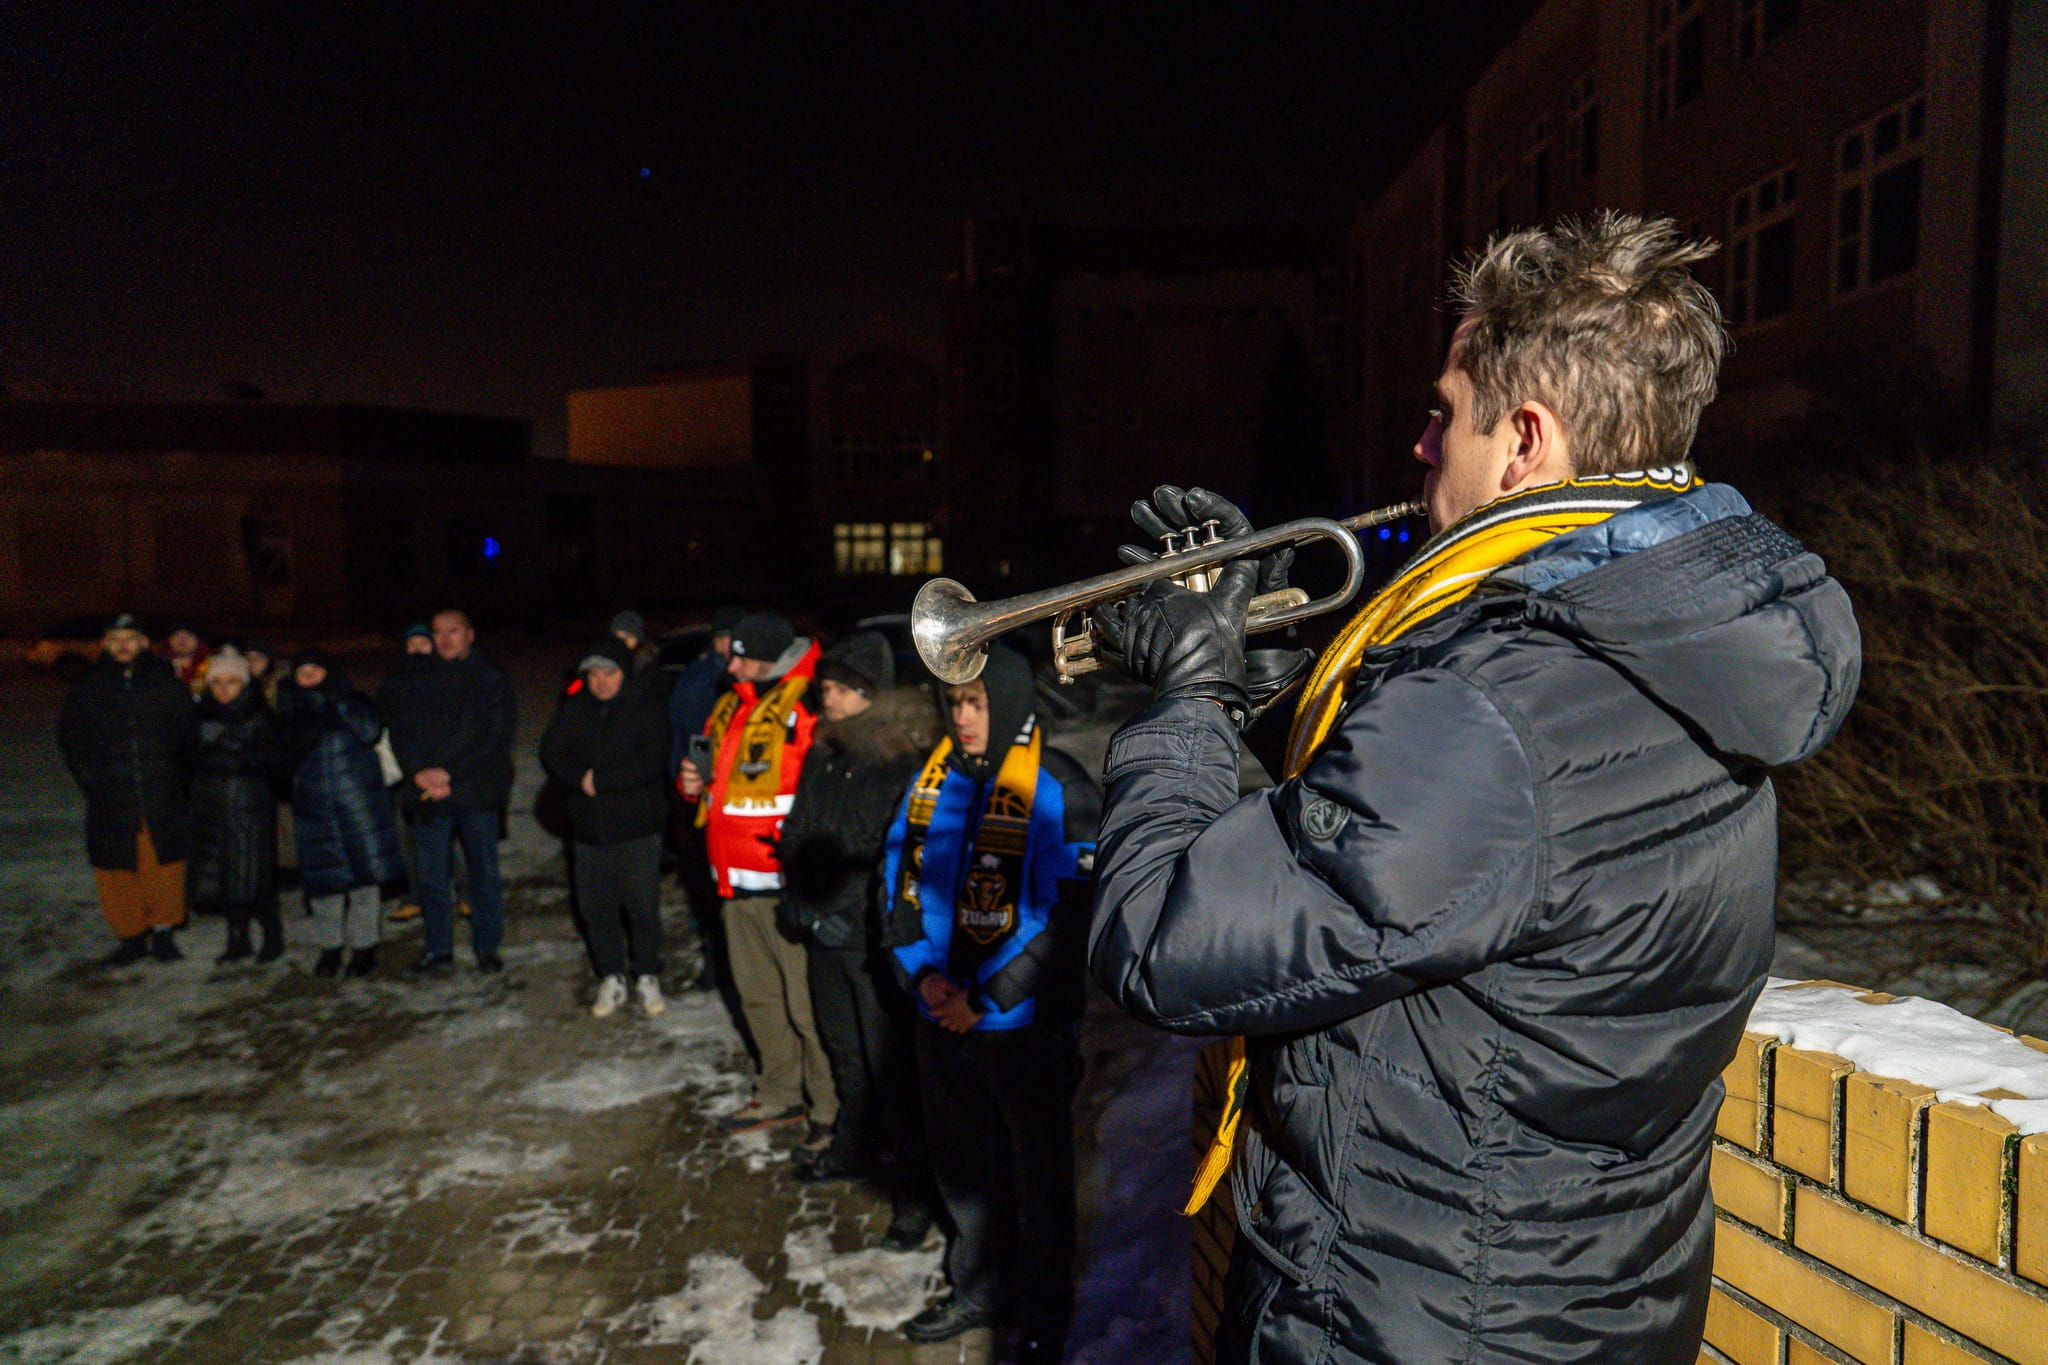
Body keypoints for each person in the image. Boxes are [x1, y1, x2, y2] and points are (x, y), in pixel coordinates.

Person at [1086, 215, 1863, 1365]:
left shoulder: (1498, 705)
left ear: (1523, 442)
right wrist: (1263, 672)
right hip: (1580, 1299)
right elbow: (1434, 852)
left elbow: (1161, 941)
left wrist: (1184, 701)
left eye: (1442, 412)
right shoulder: (1654, 641)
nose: (1418, 443)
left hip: (1407, 1316)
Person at [884, 644, 1098, 1362]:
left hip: (1022, 1028)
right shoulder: (933, 783)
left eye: (976, 703)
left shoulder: (1057, 784)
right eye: (955, 703)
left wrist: (986, 996)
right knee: (964, 1169)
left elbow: (1069, 914)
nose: (964, 718)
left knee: (1040, 1182)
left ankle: (1043, 1312)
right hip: (941, 1018)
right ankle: (979, 1288)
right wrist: (921, 976)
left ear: (1006, 703)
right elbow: (899, 884)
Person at [777, 632, 935, 1196]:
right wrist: (802, 903)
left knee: (887, 1063)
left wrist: (840, 910)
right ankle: (854, 1149)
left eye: (844, 688)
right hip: (822, 933)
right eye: (826, 687)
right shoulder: (825, 755)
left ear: (872, 694)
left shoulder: (898, 764)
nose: (831, 697)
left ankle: (910, 1182)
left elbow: (880, 854)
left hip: (866, 940)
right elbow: (798, 834)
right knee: (842, 1050)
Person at [678, 611, 834, 1137]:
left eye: (741, 657)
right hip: (735, 882)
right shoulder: (731, 704)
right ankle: (779, 1093)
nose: (731, 665)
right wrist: (691, 784)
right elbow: (714, 781)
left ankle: (829, 1109)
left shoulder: (809, 704)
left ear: (770, 657)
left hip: (788, 887)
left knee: (806, 1006)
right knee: (760, 999)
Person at [540, 637, 673, 1018]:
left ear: (624, 673)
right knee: (596, 909)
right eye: (594, 674)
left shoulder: (646, 707)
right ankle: (611, 974)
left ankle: (647, 973)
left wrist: (603, 781)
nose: (601, 682)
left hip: (636, 830)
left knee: (642, 907)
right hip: (588, 832)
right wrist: (578, 779)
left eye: (609, 673)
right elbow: (551, 753)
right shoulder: (574, 709)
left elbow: (653, 758)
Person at [379, 609, 517, 976]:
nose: (445, 639)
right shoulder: (416, 679)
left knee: (482, 873)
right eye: (438, 632)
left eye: (453, 631)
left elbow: (496, 737)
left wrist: (450, 773)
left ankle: (487, 946)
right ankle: (438, 950)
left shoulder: (491, 678)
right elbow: (400, 731)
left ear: (470, 634)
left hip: (476, 792)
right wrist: (418, 773)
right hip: (429, 795)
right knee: (431, 877)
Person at [57, 613, 197, 965]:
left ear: (145, 643)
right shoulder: (87, 690)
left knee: (163, 865)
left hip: (160, 794)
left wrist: (176, 780)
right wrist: (93, 781)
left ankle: (163, 932)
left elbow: (189, 741)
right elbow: (72, 742)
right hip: (111, 796)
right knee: (115, 868)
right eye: (115, 638)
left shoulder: (168, 688)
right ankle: (130, 936)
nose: (123, 645)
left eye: (131, 638)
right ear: (104, 644)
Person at [276, 649, 406, 978]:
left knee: (364, 880)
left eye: (315, 669)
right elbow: (279, 762)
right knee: (325, 884)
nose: (309, 676)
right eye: (302, 671)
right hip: (314, 808)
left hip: (358, 803)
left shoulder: (353, 701)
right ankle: (330, 947)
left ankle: (364, 948)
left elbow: (370, 731)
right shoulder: (289, 711)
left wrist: (337, 702)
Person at [184, 646, 282, 964]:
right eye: (216, 682)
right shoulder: (201, 715)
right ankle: (237, 939)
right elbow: (186, 757)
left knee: (252, 876)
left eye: (231, 681)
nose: (223, 689)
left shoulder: (259, 715)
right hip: (210, 805)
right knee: (224, 875)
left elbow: (273, 761)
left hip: (248, 806)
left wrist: (227, 742)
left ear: (244, 683)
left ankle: (272, 935)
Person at [669, 605, 741, 993]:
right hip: (703, 796)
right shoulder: (699, 678)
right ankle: (715, 962)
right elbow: (691, 735)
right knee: (706, 890)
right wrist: (692, 784)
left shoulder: (750, 675)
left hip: (743, 801)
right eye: (722, 638)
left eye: (733, 638)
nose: (727, 646)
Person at [386, 623, 438, 925]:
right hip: (405, 773)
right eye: (411, 644)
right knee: (407, 838)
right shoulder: (394, 683)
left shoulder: (446, 678)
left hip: (442, 772)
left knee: (449, 839)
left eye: (423, 642)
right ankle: (415, 896)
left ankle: (465, 893)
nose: (417, 649)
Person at [161, 622, 210, 693]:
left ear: (198, 640)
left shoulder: (210, 665)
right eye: (176, 635)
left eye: (188, 635)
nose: (182, 640)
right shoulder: (160, 665)